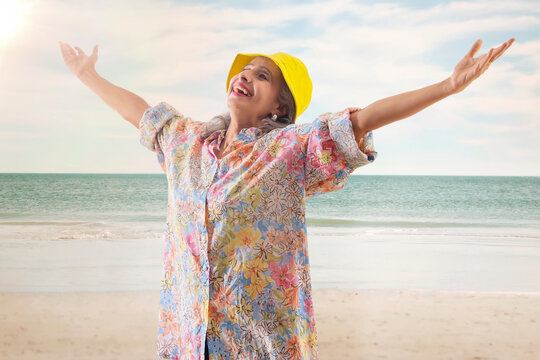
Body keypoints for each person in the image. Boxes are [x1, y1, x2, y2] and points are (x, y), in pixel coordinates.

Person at [59, 37, 514, 360]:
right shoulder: (186, 143)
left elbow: (361, 120)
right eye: (245, 69)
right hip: (186, 341)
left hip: (262, 345)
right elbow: (138, 112)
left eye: (263, 75)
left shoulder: (289, 150)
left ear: (280, 105)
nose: (246, 76)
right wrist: (87, 75)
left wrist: (447, 87)